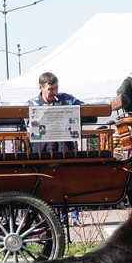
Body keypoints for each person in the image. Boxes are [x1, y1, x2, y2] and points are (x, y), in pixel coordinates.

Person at [27, 72, 84, 226]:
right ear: (41, 88)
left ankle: (74, 216)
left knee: (69, 180)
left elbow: (86, 109)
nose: (55, 92)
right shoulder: (32, 102)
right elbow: (30, 124)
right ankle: (52, 218)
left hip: (65, 148)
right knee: (47, 184)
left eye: (56, 88)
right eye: (51, 89)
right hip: (42, 150)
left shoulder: (67, 98)